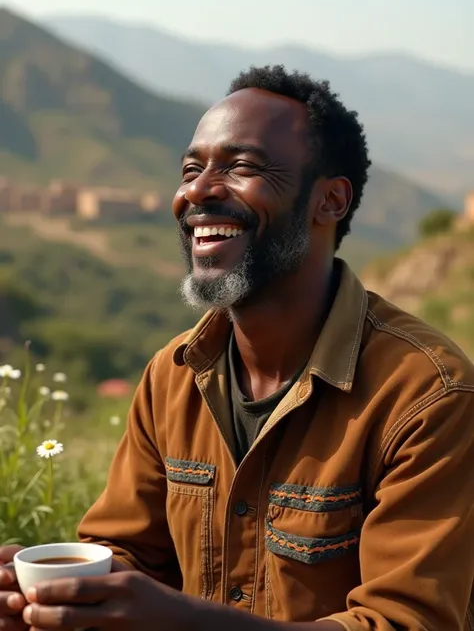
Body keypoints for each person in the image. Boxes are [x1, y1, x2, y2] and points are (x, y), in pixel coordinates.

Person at [1, 64, 474, 631]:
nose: (198, 190)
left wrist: (184, 621)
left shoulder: (427, 396)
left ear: (330, 201)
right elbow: (129, 554)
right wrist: (65, 597)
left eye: (242, 167)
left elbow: (408, 623)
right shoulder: (171, 377)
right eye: (191, 169)